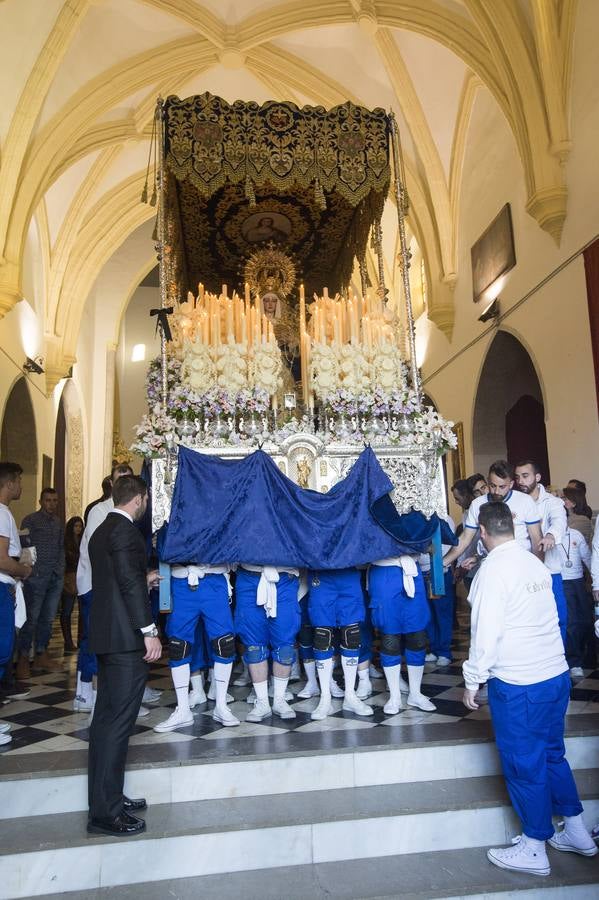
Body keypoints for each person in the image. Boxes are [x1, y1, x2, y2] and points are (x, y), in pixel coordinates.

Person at [462, 501, 597, 875]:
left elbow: (485, 632)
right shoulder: (533, 564)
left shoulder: (492, 571)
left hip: (521, 683)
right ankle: (575, 831)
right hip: (555, 675)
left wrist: (473, 678)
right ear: (514, 526)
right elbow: (553, 616)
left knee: (524, 764)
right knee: (553, 754)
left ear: (484, 533)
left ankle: (535, 847)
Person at [87, 474, 161, 836]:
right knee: (117, 725)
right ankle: (106, 813)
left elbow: (119, 579)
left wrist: (142, 578)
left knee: (105, 723)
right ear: (140, 498)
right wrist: (149, 631)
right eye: (146, 499)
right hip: (125, 641)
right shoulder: (127, 533)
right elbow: (129, 585)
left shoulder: (103, 529)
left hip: (106, 635)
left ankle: (108, 796)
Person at [74, 464, 134, 711]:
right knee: (92, 637)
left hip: (112, 587)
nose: (123, 484)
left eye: (128, 480)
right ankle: (85, 690)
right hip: (94, 585)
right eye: (120, 479)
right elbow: (96, 550)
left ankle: (106, 690)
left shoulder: (128, 509)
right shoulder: (101, 510)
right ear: (111, 483)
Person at [153, 561, 239, 732]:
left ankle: (221, 705)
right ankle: (183, 709)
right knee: (179, 646)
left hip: (214, 578)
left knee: (224, 643)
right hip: (180, 580)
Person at [443, 460, 542, 570]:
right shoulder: (477, 504)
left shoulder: (525, 501)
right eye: (492, 485)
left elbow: (536, 539)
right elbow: (465, 538)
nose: (496, 491)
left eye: (502, 487)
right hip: (491, 567)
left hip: (521, 565)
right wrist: (443, 562)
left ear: (511, 484)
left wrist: (538, 570)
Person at [234, 563, 301, 722]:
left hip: (285, 577)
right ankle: (262, 702)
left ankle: (279, 700)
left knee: (285, 647)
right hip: (249, 576)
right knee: (254, 647)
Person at [369, 555, 435, 714]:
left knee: (417, 636)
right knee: (390, 638)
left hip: (412, 568)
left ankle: (415, 693)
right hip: (384, 571)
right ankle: (394, 696)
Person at [308, 568, 374, 720]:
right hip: (321, 575)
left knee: (351, 634)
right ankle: (325, 698)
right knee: (322, 636)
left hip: (348, 574)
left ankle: (350, 696)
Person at [515, 460, 568, 644]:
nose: (520, 480)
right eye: (518, 476)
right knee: (527, 620)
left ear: (537, 477)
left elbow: (559, 521)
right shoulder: (513, 503)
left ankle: (560, 661)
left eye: (525, 476)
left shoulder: (552, 502)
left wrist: (551, 536)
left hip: (549, 570)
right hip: (522, 572)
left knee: (558, 618)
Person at [16, 488, 65, 677]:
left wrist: (60, 569)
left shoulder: (58, 522)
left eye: (55, 500)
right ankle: (22, 658)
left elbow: (61, 547)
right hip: (36, 577)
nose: (51, 504)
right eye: (48, 500)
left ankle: (41, 654)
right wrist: (31, 571)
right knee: (32, 618)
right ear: (40, 501)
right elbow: (25, 548)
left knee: (48, 618)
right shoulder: (30, 520)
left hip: (54, 576)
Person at [0, 463, 33, 744]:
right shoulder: (1, 513)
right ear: (9, 483)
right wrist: (23, 571)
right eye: (19, 481)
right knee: (1, 650)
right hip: (1, 586)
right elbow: (0, 559)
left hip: (5, 587)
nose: (21, 486)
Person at [555, 525, 593, 678]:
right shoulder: (550, 534)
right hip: (561, 580)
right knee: (571, 622)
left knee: (585, 620)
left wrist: (595, 580)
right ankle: (573, 662)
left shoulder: (575, 534)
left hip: (578, 581)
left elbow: (588, 557)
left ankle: (585, 657)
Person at [61, 516, 83, 652]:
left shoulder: (83, 540)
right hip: (69, 577)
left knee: (82, 611)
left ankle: (81, 640)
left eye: (80, 526)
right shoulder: (66, 541)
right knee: (67, 611)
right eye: (76, 526)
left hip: (81, 577)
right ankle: (68, 641)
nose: (78, 529)